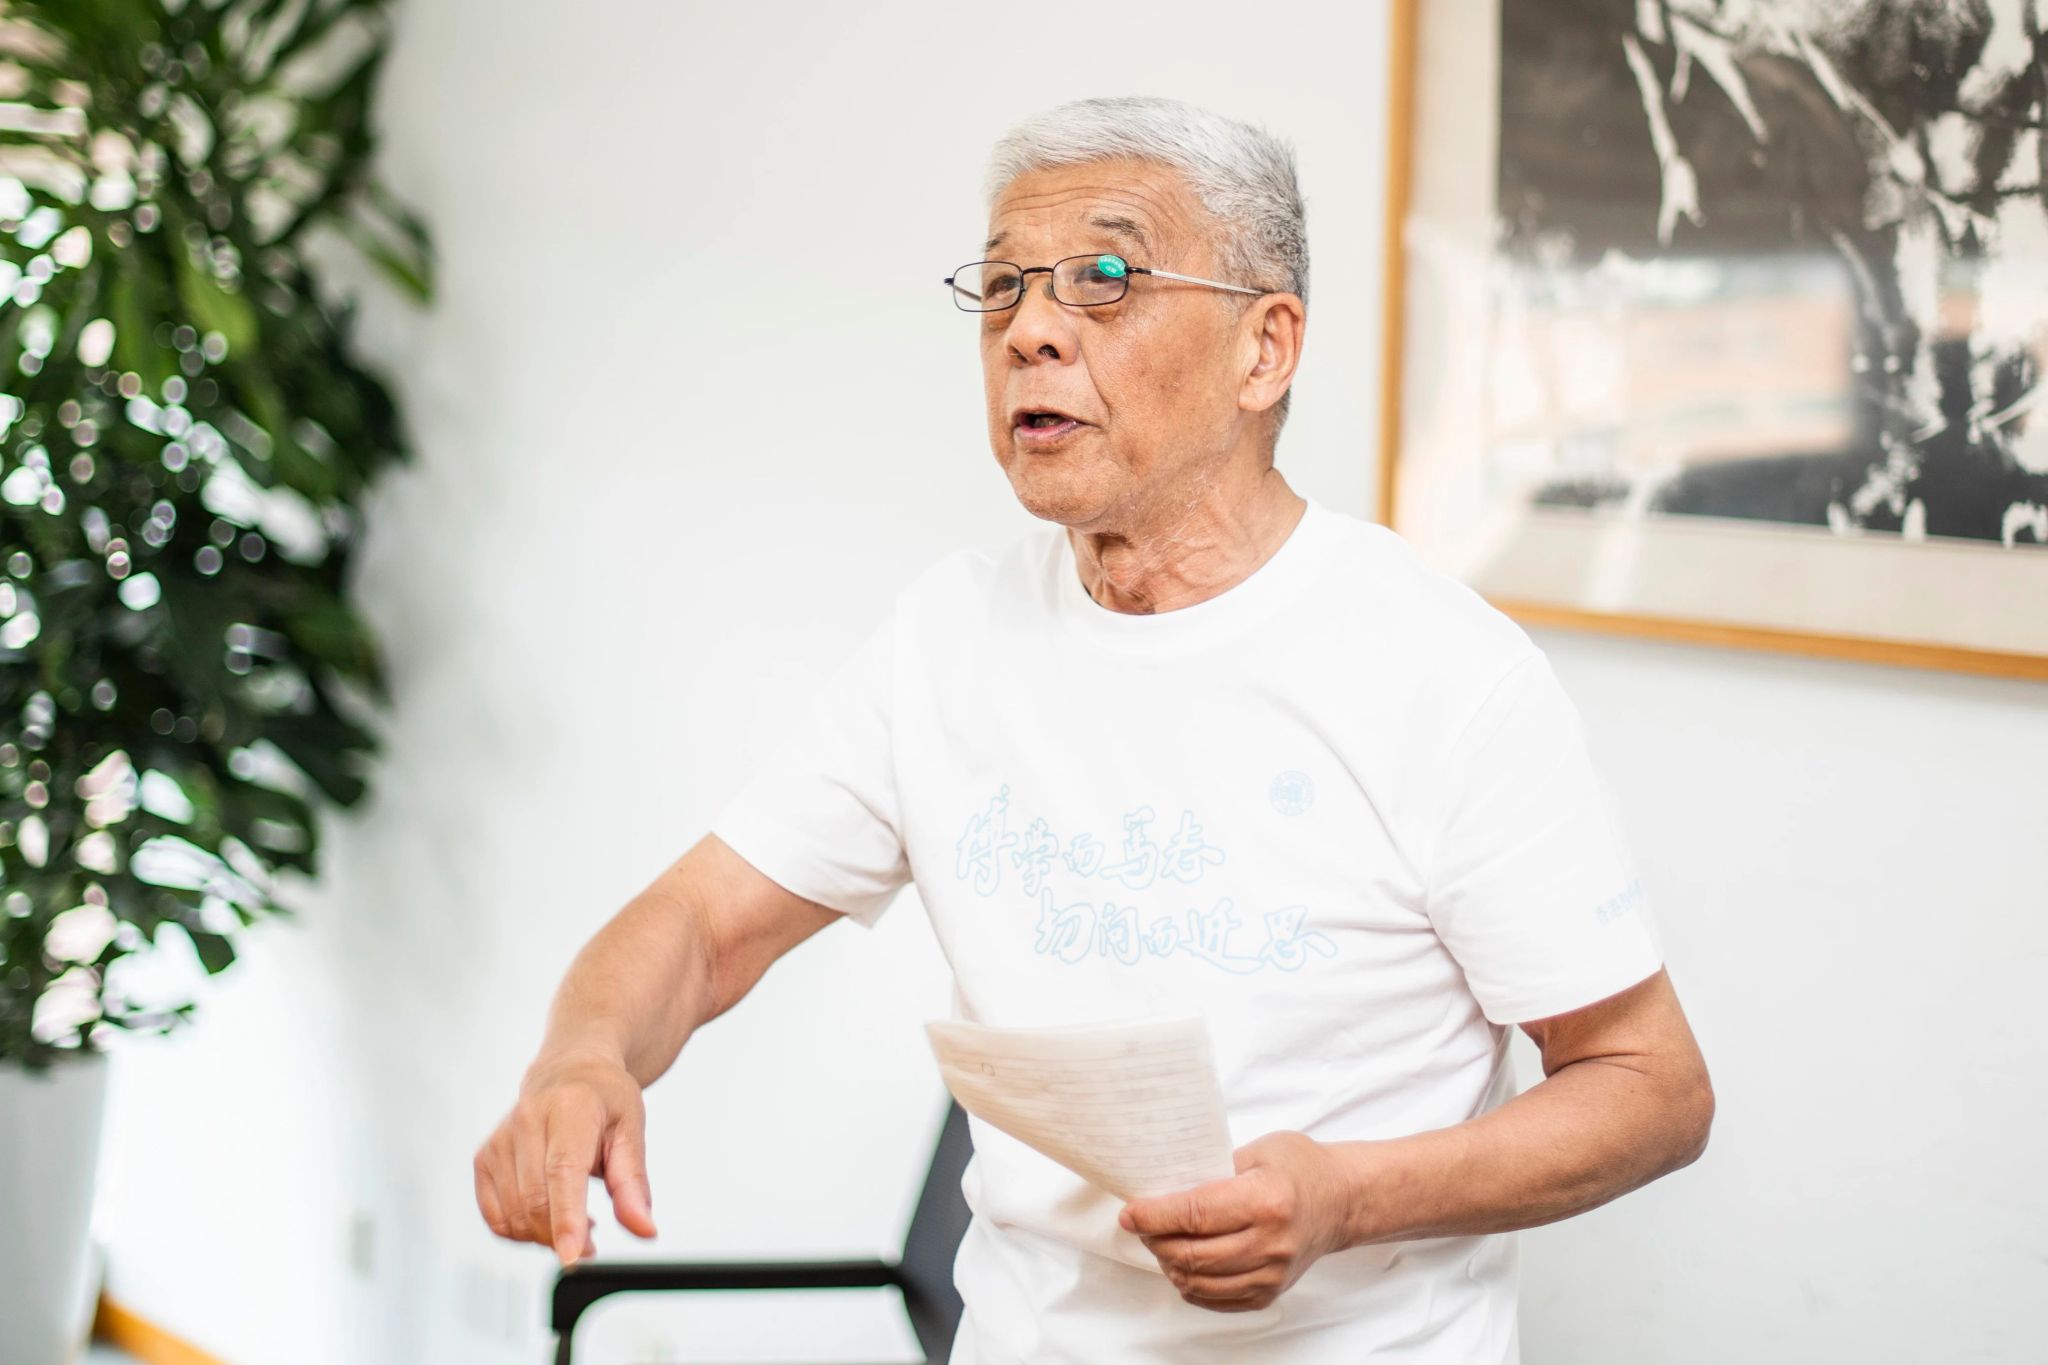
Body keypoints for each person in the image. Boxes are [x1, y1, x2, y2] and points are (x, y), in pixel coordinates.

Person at [472, 94, 1714, 1363]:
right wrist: (582, 1058)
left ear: (1264, 349)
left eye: (1104, 280)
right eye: (1003, 287)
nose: (1029, 331)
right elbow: (700, 924)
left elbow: (1649, 1088)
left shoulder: (1441, 672)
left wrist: (1344, 1199)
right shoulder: (947, 637)